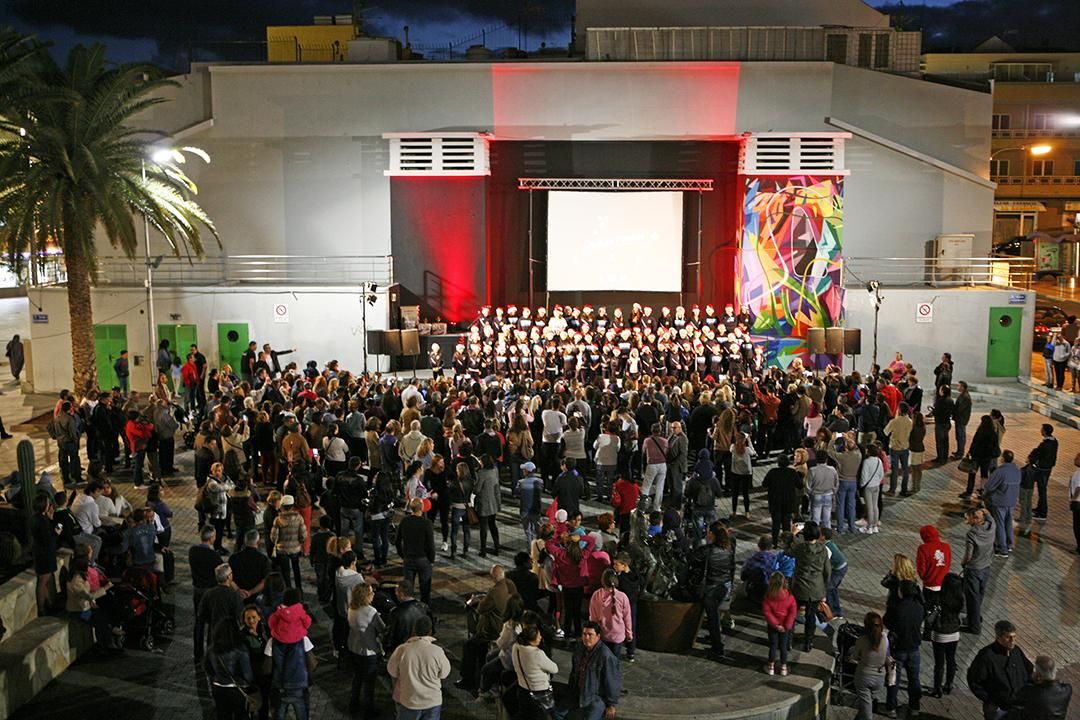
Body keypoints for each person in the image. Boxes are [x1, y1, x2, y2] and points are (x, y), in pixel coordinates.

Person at [458, 564, 519, 694]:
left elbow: (481, 609)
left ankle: (467, 679)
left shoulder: (495, 591)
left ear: (493, 576)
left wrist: (477, 600)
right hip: (502, 623)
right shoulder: (510, 584)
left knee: (469, 645)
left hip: (493, 630)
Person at [264, 588, 317, 720]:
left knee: (279, 713)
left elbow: (267, 667)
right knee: (302, 713)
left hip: (280, 684)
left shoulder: (272, 641)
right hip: (299, 683)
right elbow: (313, 663)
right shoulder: (303, 639)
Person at [387, 615, 451, 720]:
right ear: (430, 631)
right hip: (432, 702)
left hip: (409, 701)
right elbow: (445, 673)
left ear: (414, 630)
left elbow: (392, 671)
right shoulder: (437, 651)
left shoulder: (402, 650)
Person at [967, 620, 1033, 720]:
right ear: (998, 637)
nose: (1012, 640)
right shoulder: (987, 655)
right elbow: (975, 681)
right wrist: (990, 700)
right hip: (999, 708)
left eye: (1014, 636)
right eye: (1008, 637)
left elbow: (1029, 670)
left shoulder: (1016, 651)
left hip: (1018, 706)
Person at [556, 621, 621, 720]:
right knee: (557, 713)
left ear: (598, 636)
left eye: (590, 635)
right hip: (577, 691)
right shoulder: (579, 647)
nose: (586, 638)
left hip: (595, 696)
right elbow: (574, 671)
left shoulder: (605, 656)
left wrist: (611, 704)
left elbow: (612, 680)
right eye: (584, 634)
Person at [690, 520, 735, 659]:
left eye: (709, 532)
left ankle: (717, 646)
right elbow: (732, 568)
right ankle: (713, 637)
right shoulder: (728, 549)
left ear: (713, 534)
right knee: (713, 614)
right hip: (724, 586)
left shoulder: (708, 550)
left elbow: (692, 558)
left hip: (711, 587)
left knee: (713, 617)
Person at [883, 580, 924, 718]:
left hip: (897, 649)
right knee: (914, 679)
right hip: (914, 648)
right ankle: (914, 707)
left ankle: (891, 708)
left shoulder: (896, 607)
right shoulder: (919, 606)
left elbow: (887, 621)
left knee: (893, 679)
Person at [790, 521, 830, 652]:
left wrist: (793, 535)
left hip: (799, 588)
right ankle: (808, 642)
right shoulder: (823, 549)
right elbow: (827, 571)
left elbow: (788, 551)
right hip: (816, 589)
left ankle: (788, 638)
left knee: (793, 613)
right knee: (811, 615)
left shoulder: (800, 549)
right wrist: (824, 587)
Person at [346, 582, 385, 718]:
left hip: (354, 648)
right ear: (365, 596)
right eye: (371, 592)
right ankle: (368, 710)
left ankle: (354, 703)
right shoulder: (370, 612)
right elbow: (382, 629)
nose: (373, 594)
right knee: (369, 683)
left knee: (357, 677)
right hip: (368, 651)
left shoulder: (351, 608)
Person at [207, 618, 258, 720]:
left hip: (218, 688)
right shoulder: (241, 650)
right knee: (241, 715)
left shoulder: (212, 649)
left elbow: (208, 668)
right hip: (237, 690)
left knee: (222, 715)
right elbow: (247, 675)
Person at [511, 624, 559, 720]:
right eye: (538, 636)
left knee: (524, 714)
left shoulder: (516, 647)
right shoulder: (537, 654)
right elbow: (555, 669)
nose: (541, 637)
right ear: (532, 639)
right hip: (538, 691)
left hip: (522, 688)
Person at [197, 564, 244, 660]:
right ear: (229, 577)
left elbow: (201, 614)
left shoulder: (208, 594)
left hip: (213, 632)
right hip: (229, 635)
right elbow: (239, 616)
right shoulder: (234, 596)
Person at [848, 611, 889, 720]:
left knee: (866, 707)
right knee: (866, 703)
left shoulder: (862, 640)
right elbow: (886, 654)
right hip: (880, 677)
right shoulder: (885, 638)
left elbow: (855, 656)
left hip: (864, 676)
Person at [961, 507, 995, 635]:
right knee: (980, 594)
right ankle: (973, 617)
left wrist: (963, 563)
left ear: (975, 519)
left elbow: (969, 555)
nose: (966, 520)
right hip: (986, 567)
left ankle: (973, 626)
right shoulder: (991, 526)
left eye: (967, 517)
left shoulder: (972, 533)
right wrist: (984, 512)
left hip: (974, 569)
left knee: (972, 598)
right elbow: (989, 516)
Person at [930, 573, 964, 698]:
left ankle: (937, 688)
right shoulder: (959, 600)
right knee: (951, 659)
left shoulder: (939, 598)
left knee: (939, 663)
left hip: (939, 634)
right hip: (954, 633)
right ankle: (949, 684)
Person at [1007, 655, 1072, 719]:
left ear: (1038, 675)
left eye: (1035, 671)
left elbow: (1013, 701)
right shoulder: (1067, 690)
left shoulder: (1030, 692)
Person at [397, 498, 436, 604]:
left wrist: (402, 555)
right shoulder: (426, 523)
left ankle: (409, 609)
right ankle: (424, 608)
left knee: (408, 589)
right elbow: (430, 544)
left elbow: (397, 540)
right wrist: (431, 560)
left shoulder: (404, 521)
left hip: (408, 559)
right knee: (425, 588)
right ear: (422, 508)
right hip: (423, 559)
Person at [983, 450, 1021, 557]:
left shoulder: (1000, 472)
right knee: (1008, 523)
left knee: (1000, 524)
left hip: (1000, 502)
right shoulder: (1017, 471)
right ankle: (1009, 545)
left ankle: (1001, 548)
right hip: (1012, 501)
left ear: (1002, 458)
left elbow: (989, 486)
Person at [588, 568, 633, 658]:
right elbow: (627, 618)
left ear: (602, 581)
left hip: (601, 635)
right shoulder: (623, 597)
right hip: (617, 636)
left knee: (601, 662)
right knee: (614, 663)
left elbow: (593, 617)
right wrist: (629, 634)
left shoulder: (596, 595)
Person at [29, 493, 60, 615]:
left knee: (44, 580)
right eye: (47, 503)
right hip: (44, 554)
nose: (49, 505)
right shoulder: (42, 521)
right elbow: (48, 540)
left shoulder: (36, 518)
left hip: (40, 553)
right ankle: (42, 609)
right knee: (43, 581)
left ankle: (48, 604)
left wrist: (51, 519)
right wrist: (57, 533)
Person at [762, 571, 797, 676]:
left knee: (773, 645)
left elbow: (767, 613)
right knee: (783, 646)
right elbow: (792, 612)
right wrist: (786, 626)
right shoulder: (789, 596)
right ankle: (783, 667)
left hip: (773, 626)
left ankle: (771, 666)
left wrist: (776, 625)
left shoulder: (768, 597)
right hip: (785, 626)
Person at [270, 495, 306, 591]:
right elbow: (303, 535)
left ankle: (289, 591)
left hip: (282, 550)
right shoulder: (299, 518)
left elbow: (273, 537)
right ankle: (299, 590)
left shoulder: (278, 520)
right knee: (296, 569)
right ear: (292, 505)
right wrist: (299, 542)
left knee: (286, 572)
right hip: (295, 549)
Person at [762, 454, 800, 545]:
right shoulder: (792, 472)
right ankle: (787, 542)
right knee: (786, 523)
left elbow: (764, 484)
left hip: (775, 501)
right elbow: (800, 485)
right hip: (788, 501)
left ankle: (774, 542)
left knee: (776, 523)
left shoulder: (772, 472)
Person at [916, 525, 951, 608]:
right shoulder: (946, 546)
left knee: (929, 610)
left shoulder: (923, 548)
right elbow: (948, 563)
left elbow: (921, 568)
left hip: (929, 584)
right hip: (943, 583)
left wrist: (925, 578)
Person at [474, 454, 502, 557]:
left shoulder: (481, 473)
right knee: (493, 525)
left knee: (483, 527)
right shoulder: (495, 470)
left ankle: (483, 550)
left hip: (484, 503)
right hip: (493, 502)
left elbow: (477, 489)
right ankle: (497, 547)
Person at [1029, 424, 1058, 521]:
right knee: (1042, 489)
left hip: (1043, 469)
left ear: (1045, 431)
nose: (1040, 430)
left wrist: (1032, 459)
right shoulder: (1054, 441)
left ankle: (1042, 512)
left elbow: (1038, 454)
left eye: (1042, 429)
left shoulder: (1046, 444)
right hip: (1047, 468)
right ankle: (1039, 508)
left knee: (1042, 490)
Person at [884, 403, 912, 495]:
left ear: (899, 410)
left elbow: (886, 432)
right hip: (905, 447)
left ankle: (892, 490)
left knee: (895, 470)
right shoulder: (910, 421)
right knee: (905, 469)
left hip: (895, 447)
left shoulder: (894, 422)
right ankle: (904, 489)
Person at [858, 443, 885, 534]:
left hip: (868, 487)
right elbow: (881, 474)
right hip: (876, 485)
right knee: (875, 506)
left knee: (869, 507)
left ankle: (869, 527)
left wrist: (862, 485)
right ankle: (875, 526)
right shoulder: (879, 461)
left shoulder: (867, 462)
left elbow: (864, 476)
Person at [517, 461, 545, 546]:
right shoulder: (540, 481)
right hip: (536, 511)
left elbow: (517, 492)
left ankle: (531, 552)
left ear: (526, 471)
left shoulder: (521, 482)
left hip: (524, 511)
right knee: (539, 532)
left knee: (528, 533)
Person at [822, 528, 847, 617]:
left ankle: (833, 610)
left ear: (823, 537)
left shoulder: (826, 547)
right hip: (841, 567)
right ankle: (835, 607)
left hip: (839, 569)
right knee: (833, 588)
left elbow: (826, 563)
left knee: (829, 587)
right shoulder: (829, 544)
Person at [930, 385, 955, 465]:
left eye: (940, 390)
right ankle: (945, 456)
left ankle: (940, 457)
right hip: (947, 422)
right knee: (945, 440)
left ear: (943, 391)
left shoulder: (940, 401)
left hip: (940, 423)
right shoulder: (950, 400)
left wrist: (933, 412)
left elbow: (936, 412)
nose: (939, 391)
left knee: (940, 441)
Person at [1070, 452, 1080, 555]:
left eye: (1077, 458)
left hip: (1078, 503)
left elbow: (1078, 488)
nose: (1074, 459)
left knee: (1077, 526)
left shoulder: (1079, 473)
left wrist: (1073, 500)